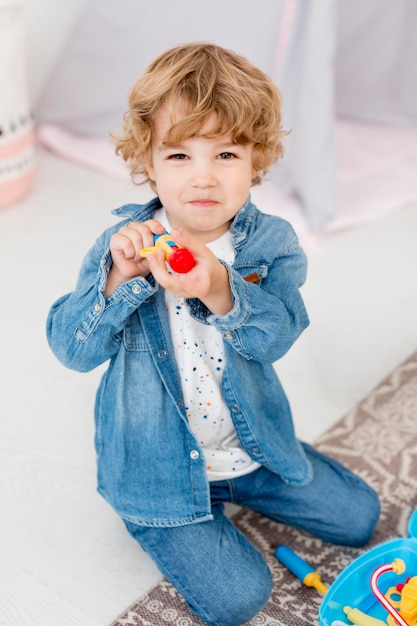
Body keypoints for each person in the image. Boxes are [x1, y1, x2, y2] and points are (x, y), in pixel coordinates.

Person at [46, 43, 380, 626]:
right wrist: (119, 281)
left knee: (360, 516)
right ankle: (154, 516)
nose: (203, 176)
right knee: (237, 600)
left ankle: (249, 481)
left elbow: (275, 338)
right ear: (148, 161)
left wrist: (220, 287)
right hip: (160, 467)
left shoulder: (269, 244)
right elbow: (73, 351)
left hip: (251, 449)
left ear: (257, 160)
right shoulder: (123, 246)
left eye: (225, 152)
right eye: (179, 154)